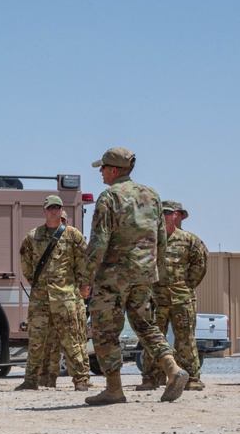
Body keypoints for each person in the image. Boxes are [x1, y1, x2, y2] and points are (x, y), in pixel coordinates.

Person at [84, 147, 188, 405]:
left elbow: (99, 242)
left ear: (114, 170)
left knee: (105, 330)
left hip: (113, 276)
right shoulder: (152, 196)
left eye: (103, 168)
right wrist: (156, 271)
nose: (100, 172)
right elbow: (162, 238)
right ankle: (173, 369)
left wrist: (86, 279)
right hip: (144, 275)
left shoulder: (109, 197)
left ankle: (114, 389)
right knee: (145, 325)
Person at [15, 196, 92, 391]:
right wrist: (38, 284)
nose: (53, 211)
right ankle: (31, 380)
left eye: (57, 207)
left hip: (65, 298)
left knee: (71, 339)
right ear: (44, 210)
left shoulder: (73, 236)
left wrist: (79, 286)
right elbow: (26, 264)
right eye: (50, 208)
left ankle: (81, 380)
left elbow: (83, 263)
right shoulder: (33, 237)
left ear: (62, 209)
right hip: (40, 298)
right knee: (36, 339)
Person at [137, 200, 208, 391]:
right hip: (155, 299)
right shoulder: (150, 240)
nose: (163, 216)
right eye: (161, 212)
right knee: (153, 338)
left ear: (177, 215)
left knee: (185, 339)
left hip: (181, 299)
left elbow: (200, 265)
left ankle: (192, 378)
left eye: (167, 212)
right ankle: (151, 378)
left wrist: (186, 285)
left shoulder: (189, 240)